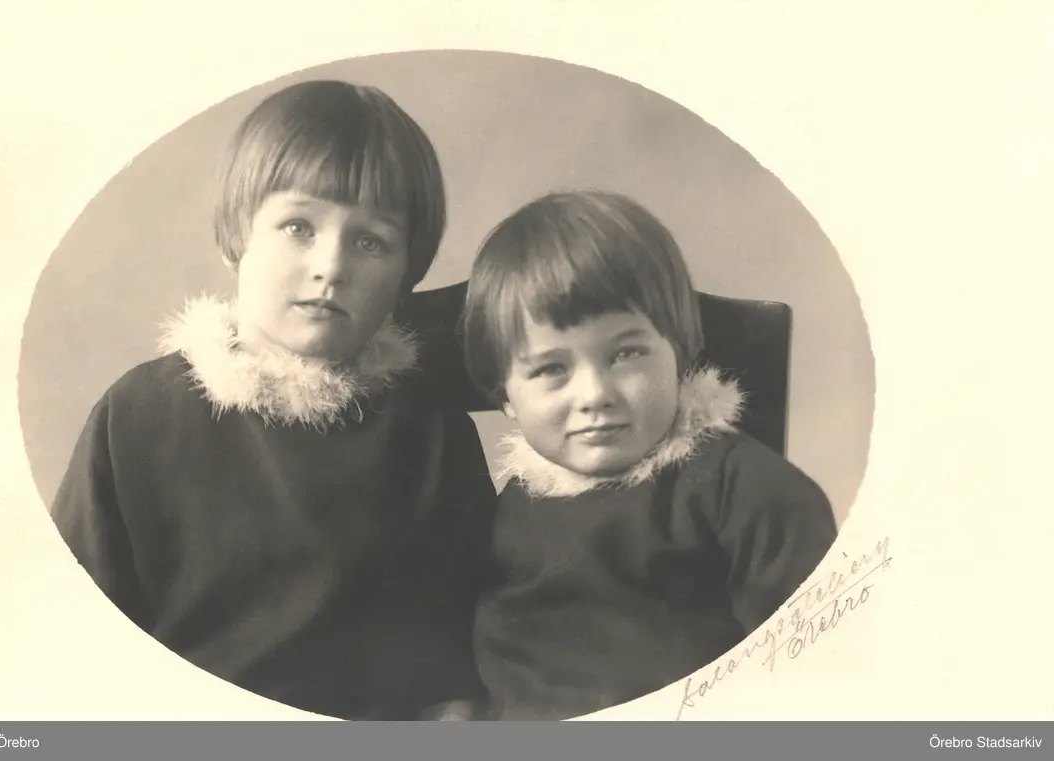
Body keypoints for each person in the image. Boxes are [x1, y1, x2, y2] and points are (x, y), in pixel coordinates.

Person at [50, 80, 496, 721]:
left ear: (407, 274)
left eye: (370, 241)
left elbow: (465, 657)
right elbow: (77, 638)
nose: (331, 266)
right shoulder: (140, 417)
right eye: (298, 227)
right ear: (236, 237)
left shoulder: (429, 428)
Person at [460, 190, 838, 720]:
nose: (595, 394)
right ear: (506, 397)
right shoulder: (510, 507)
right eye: (551, 369)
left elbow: (818, 668)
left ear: (680, 351)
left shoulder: (748, 490)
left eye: (626, 354)